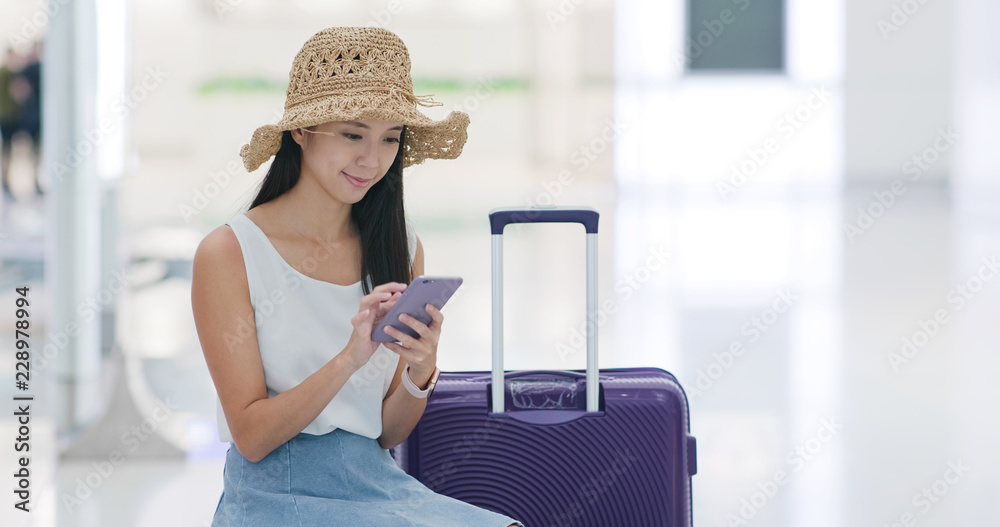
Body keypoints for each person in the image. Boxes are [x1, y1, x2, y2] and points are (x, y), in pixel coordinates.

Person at [191, 27, 523, 527]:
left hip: (377, 486)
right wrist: (350, 358)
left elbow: (388, 435)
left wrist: (421, 369)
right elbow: (252, 437)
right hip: (272, 497)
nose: (372, 160)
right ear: (300, 131)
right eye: (353, 134)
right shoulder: (230, 253)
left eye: (390, 138)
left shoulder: (400, 247)